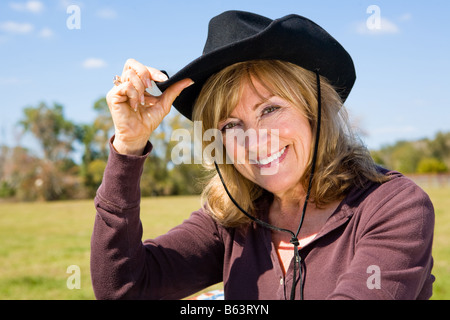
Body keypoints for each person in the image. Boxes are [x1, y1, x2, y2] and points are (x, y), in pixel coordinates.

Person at [90, 10, 435, 300]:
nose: (255, 141)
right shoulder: (232, 220)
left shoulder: (394, 207)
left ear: (313, 111)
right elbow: (122, 288)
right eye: (231, 125)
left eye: (270, 109)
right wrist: (128, 145)